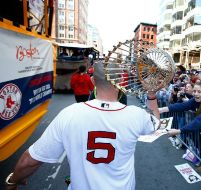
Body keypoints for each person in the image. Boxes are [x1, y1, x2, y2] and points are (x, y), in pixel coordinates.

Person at [4, 61, 162, 190]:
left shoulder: (69, 114)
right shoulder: (135, 115)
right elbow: (155, 122)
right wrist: (151, 95)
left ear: (93, 81)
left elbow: (31, 160)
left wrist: (14, 180)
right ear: (120, 81)